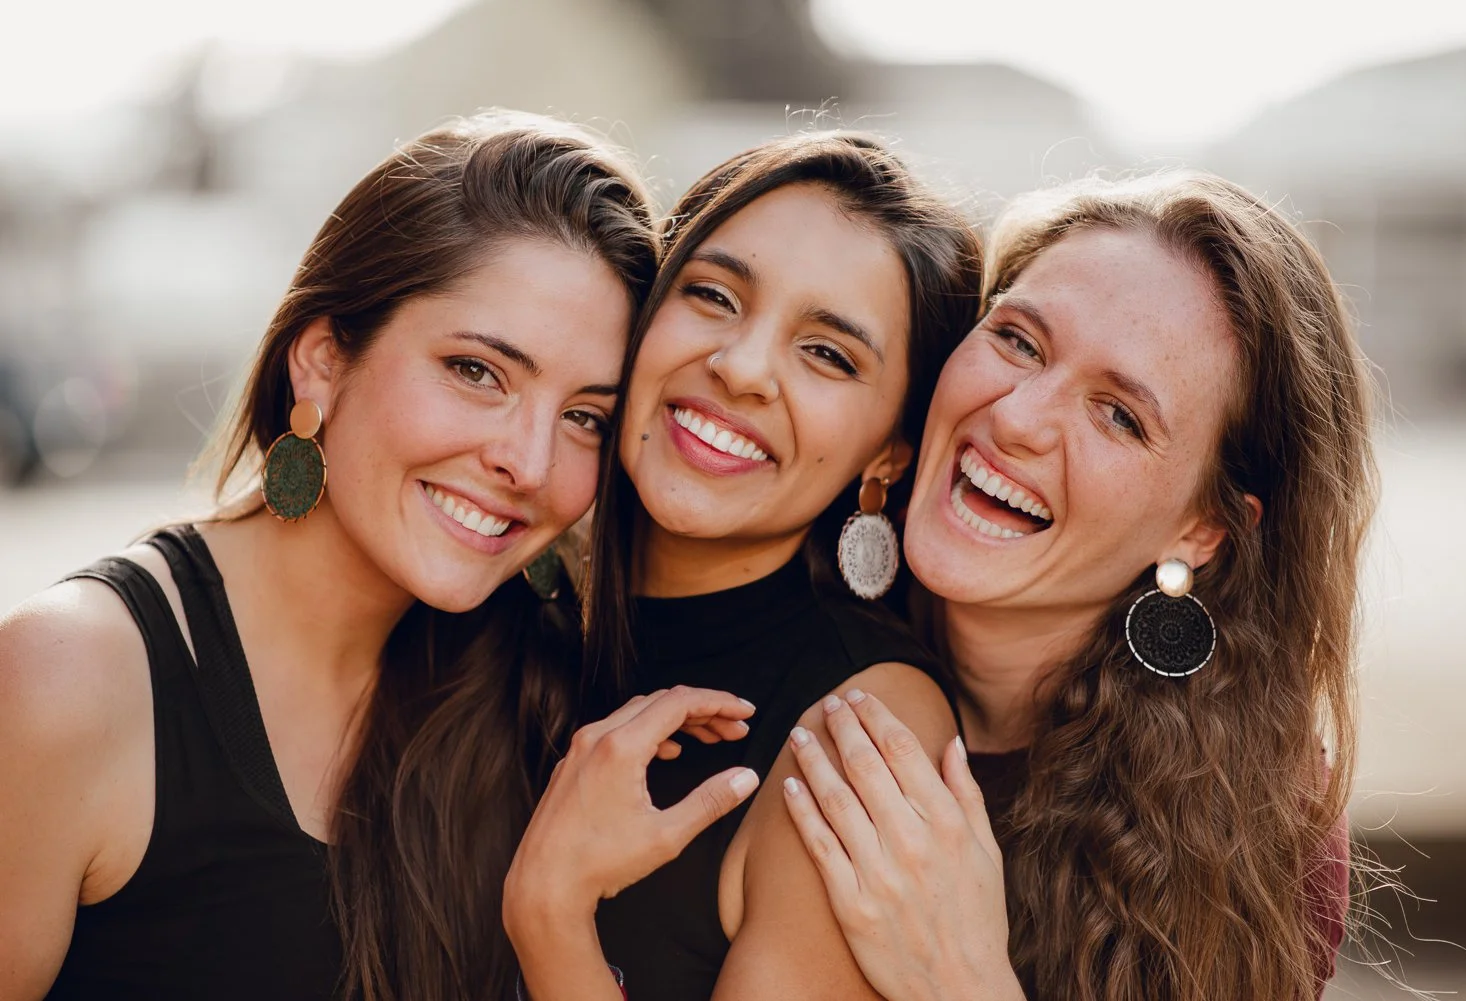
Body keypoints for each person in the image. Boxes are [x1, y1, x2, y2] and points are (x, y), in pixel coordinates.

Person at [0, 111, 682, 1001]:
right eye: (478, 371)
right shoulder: (68, 680)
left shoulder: (551, 696)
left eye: (585, 415)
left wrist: (553, 913)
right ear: (322, 359)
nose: (532, 461)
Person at [778, 172, 1375, 1001]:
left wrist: (963, 979)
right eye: (1019, 341)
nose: (1018, 418)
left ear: (1201, 528)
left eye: (1120, 415)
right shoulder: (776, 623)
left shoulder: (1257, 817)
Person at [502, 132, 984, 1000]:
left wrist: (552, 917)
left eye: (828, 354)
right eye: (715, 296)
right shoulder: (500, 595)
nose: (743, 367)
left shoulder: (861, 730)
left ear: (887, 457)